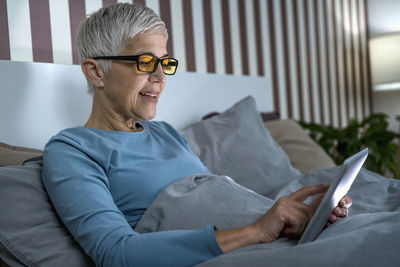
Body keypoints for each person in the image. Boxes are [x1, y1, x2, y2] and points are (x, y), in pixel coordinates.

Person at [41, 3, 352, 267]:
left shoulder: (164, 133)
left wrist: (299, 217)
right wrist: (258, 229)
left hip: (269, 241)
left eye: (165, 63)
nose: (161, 77)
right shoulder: (73, 150)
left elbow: (217, 202)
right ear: (96, 71)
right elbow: (116, 253)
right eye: (146, 62)